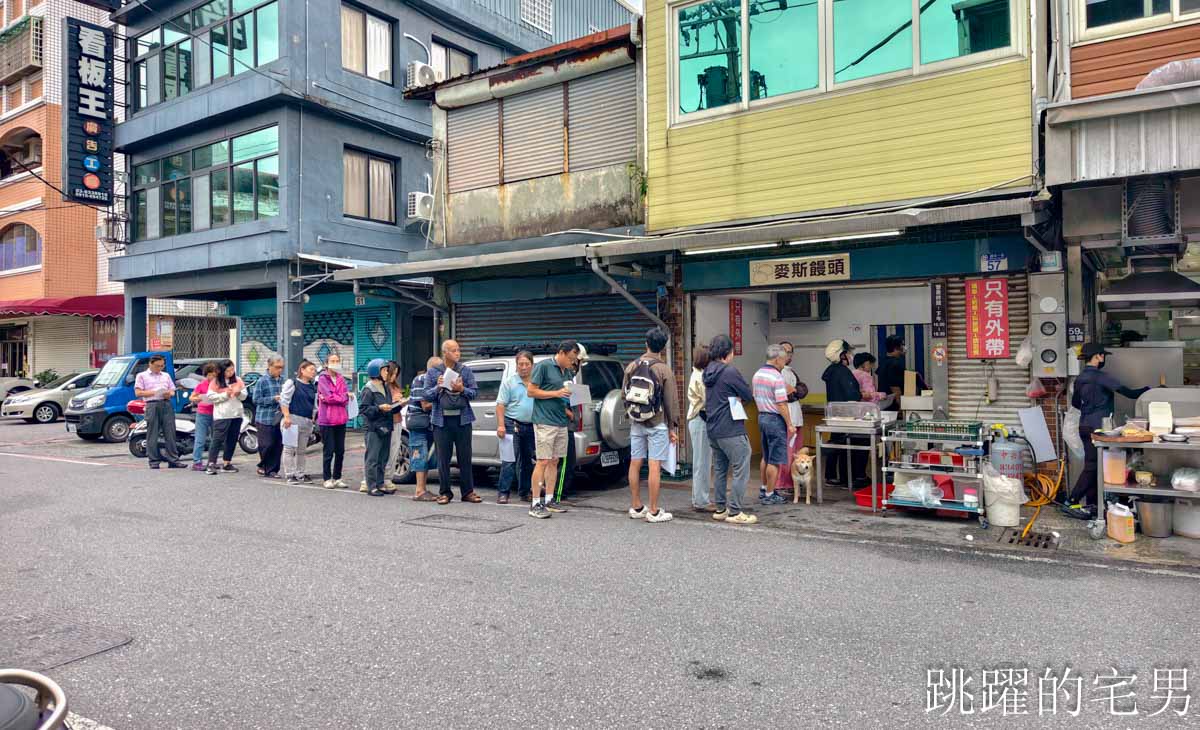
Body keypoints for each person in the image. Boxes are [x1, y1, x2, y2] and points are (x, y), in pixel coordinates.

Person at [1064, 343, 1152, 519]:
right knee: (1092, 466)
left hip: (1084, 425)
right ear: (1098, 356)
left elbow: (1075, 404)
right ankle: (1071, 500)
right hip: (1099, 428)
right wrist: (1150, 390)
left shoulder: (1080, 378)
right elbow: (1130, 393)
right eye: (1103, 355)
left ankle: (1093, 505)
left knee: (1095, 466)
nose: (1104, 358)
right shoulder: (1102, 377)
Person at [624, 327, 680, 523]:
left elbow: (625, 395)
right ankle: (654, 511)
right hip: (657, 422)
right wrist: (673, 428)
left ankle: (636, 506)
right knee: (654, 464)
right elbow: (671, 401)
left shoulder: (632, 366)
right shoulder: (663, 369)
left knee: (635, 462)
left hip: (636, 421)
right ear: (663, 347)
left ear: (646, 343)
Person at [703, 334, 757, 525]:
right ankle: (735, 512)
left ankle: (720, 509)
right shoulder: (729, 372)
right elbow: (748, 394)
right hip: (731, 429)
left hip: (713, 428)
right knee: (741, 466)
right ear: (728, 352)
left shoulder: (707, 371)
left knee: (719, 470)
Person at [425, 340, 482, 505]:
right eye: (453, 350)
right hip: (441, 421)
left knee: (465, 456)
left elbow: (475, 393)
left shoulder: (466, 370)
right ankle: (445, 492)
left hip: (462, 420)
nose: (458, 353)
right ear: (445, 353)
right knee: (443, 458)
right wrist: (438, 387)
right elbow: (426, 396)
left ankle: (468, 492)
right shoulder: (434, 372)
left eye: (458, 350)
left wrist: (462, 389)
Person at [526, 340, 578, 519]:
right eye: (571, 358)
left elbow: (562, 395)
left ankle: (549, 499)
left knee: (555, 460)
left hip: (561, 421)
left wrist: (567, 410)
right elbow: (531, 391)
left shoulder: (568, 371)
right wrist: (556, 393)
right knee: (542, 460)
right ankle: (535, 503)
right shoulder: (544, 366)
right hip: (544, 421)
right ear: (562, 353)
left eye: (575, 359)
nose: (572, 362)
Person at [753, 344, 796, 506]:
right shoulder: (777, 377)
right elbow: (782, 404)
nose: (785, 363)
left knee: (766, 456)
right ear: (777, 359)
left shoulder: (758, 374)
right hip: (775, 420)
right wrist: (790, 424)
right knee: (775, 459)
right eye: (784, 359)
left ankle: (764, 488)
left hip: (762, 417)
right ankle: (770, 494)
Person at [820, 339, 862, 488]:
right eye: (848, 353)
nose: (851, 356)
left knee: (835, 444)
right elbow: (852, 395)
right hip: (846, 416)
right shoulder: (843, 372)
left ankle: (831, 476)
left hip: (835, 415)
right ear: (842, 355)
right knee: (846, 446)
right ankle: (846, 479)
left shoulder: (831, 370)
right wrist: (861, 394)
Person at [496, 351, 536, 504]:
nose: (524, 367)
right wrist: (500, 426)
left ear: (532, 365)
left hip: (531, 426)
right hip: (512, 424)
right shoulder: (509, 382)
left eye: (527, 364)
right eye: (521, 364)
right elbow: (500, 406)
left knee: (527, 461)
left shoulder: (536, 382)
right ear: (516, 365)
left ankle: (524, 492)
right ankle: (503, 492)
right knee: (509, 460)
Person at [134, 354, 186, 470]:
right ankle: (153, 461)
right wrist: (154, 392)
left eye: (162, 366)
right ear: (150, 364)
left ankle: (173, 460)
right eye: (157, 366)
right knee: (152, 433)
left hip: (166, 403)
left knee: (170, 432)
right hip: (152, 404)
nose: (160, 368)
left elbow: (172, 390)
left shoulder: (166, 375)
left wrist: (169, 393)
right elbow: (138, 393)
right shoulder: (141, 376)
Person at [404, 357, 441, 501]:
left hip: (428, 424)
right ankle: (419, 491)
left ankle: (423, 489)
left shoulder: (433, 382)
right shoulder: (421, 380)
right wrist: (442, 399)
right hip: (419, 423)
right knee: (419, 454)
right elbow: (425, 405)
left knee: (426, 456)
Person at [358, 358, 395, 497]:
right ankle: (371, 485)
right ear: (376, 372)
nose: (387, 373)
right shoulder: (369, 388)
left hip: (385, 426)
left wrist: (397, 405)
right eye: (384, 370)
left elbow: (388, 405)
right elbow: (364, 409)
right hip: (374, 428)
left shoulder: (385, 387)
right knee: (372, 458)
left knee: (383, 458)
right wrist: (379, 408)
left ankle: (380, 483)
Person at [204, 359, 247, 475]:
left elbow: (244, 396)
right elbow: (211, 397)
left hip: (236, 414)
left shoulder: (238, 380)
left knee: (232, 439)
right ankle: (211, 463)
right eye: (228, 370)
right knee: (217, 439)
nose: (231, 372)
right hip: (222, 415)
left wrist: (239, 393)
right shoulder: (216, 382)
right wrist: (225, 395)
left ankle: (227, 462)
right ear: (222, 371)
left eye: (232, 369)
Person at [280, 359, 318, 485]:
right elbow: (284, 400)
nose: (314, 372)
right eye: (311, 369)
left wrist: (313, 418)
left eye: (314, 370)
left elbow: (314, 405)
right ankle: (290, 474)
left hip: (306, 420)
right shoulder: (293, 383)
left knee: (302, 450)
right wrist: (286, 416)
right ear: (302, 370)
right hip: (293, 418)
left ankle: (300, 473)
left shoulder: (312, 387)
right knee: (289, 448)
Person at [687, 345, 716, 512]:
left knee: (702, 461)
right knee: (702, 462)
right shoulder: (700, 377)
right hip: (700, 419)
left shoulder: (698, 374)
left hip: (697, 420)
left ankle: (699, 498)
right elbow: (708, 399)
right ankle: (701, 501)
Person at [317, 354, 350, 489]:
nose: (335, 363)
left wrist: (338, 397)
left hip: (341, 419)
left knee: (340, 451)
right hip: (327, 420)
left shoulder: (341, 378)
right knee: (328, 450)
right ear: (326, 363)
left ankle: (337, 477)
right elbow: (328, 397)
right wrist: (339, 398)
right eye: (332, 361)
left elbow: (345, 397)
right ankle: (326, 478)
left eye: (337, 361)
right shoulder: (322, 379)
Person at [251, 356, 285, 478]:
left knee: (278, 445)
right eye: (277, 367)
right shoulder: (262, 381)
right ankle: (263, 464)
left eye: (281, 368)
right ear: (269, 366)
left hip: (279, 418)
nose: (279, 370)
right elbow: (256, 399)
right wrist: (273, 399)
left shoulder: (283, 381)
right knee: (266, 444)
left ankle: (272, 470)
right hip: (264, 418)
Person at [380, 360, 406, 494]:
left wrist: (402, 401)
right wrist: (394, 401)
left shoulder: (395, 386)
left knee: (395, 450)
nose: (394, 376)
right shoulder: (382, 386)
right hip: (387, 422)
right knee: (386, 451)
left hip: (397, 420)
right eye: (392, 373)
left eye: (396, 374)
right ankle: (383, 478)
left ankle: (388, 477)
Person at [188, 362, 219, 471]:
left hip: (216, 414)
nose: (211, 377)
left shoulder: (219, 384)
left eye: (214, 375)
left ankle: (212, 461)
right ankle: (197, 461)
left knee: (215, 439)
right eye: (209, 375)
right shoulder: (202, 385)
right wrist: (196, 399)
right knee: (200, 439)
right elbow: (192, 397)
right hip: (202, 413)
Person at [877, 335, 906, 412]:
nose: (904, 347)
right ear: (896, 347)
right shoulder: (895, 363)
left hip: (884, 403)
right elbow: (895, 387)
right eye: (902, 345)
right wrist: (901, 406)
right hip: (893, 406)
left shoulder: (883, 361)